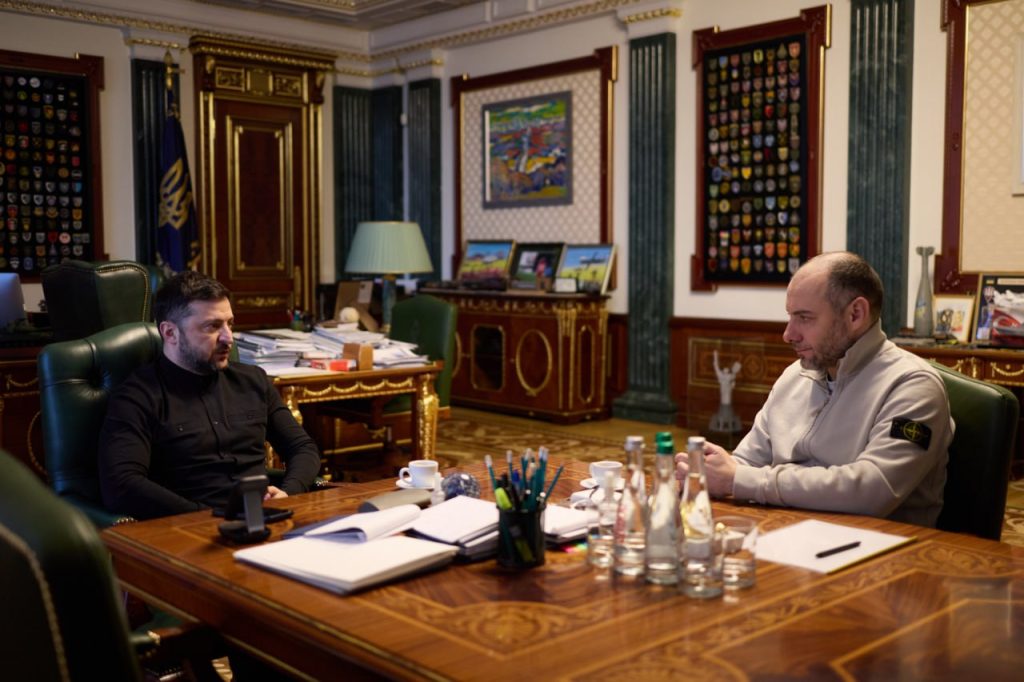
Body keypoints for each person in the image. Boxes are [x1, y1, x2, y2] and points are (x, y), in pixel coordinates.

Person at [678, 252, 953, 527]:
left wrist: (740, 480)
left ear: (855, 314)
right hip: (786, 531)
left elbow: (874, 490)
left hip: (883, 545)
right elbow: (745, 463)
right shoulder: (793, 376)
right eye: (790, 317)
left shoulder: (913, 385)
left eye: (804, 318)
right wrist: (708, 473)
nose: (788, 334)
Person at [99, 271, 321, 520]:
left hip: (265, 518)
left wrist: (288, 493)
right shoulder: (138, 396)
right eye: (212, 327)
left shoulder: (253, 381)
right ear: (170, 333)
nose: (229, 338)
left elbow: (302, 448)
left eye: (230, 324)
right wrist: (208, 516)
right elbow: (121, 484)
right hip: (188, 527)